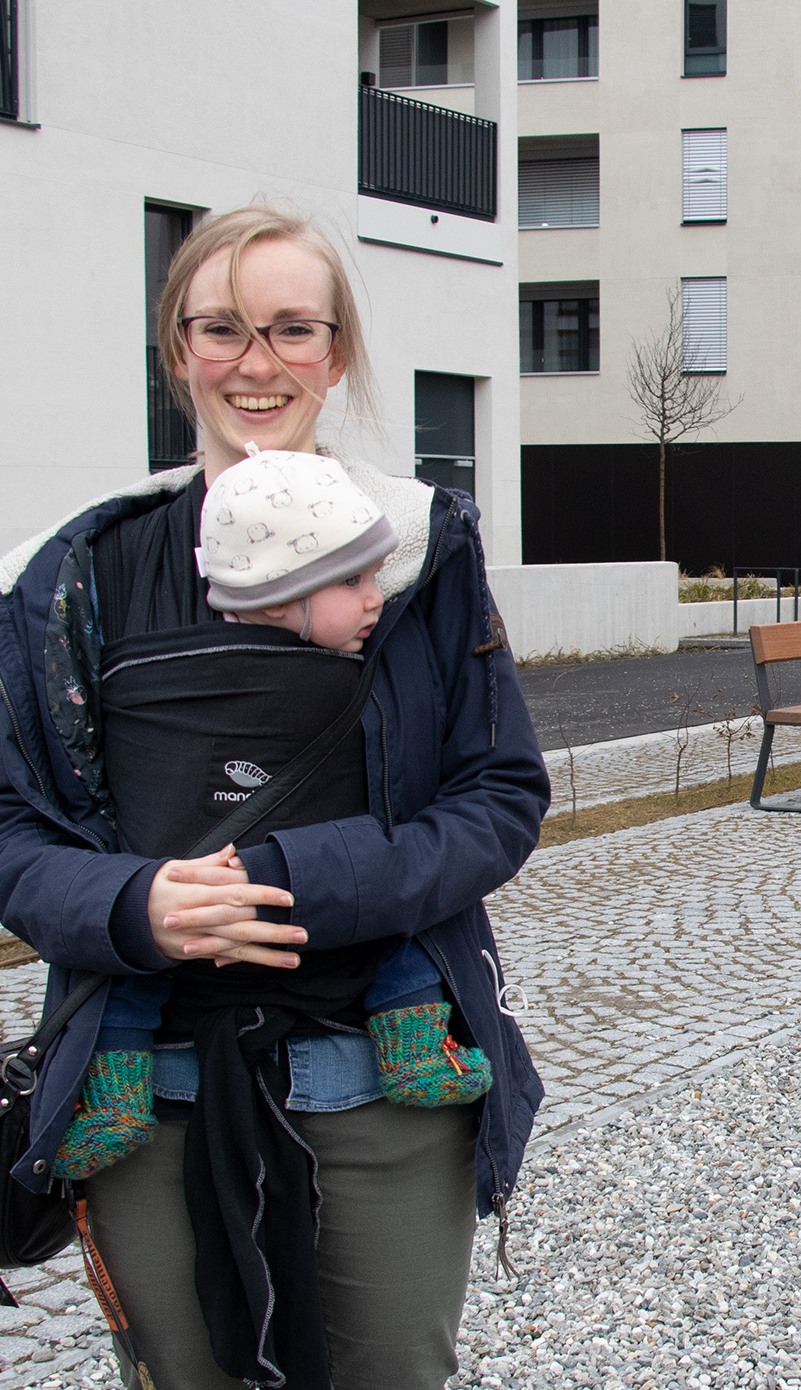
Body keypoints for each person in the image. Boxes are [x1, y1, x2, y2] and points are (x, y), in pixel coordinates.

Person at [0, 203, 549, 1390]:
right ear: (179, 351)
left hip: (383, 1079)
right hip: (147, 1091)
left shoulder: (418, 553)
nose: (256, 359)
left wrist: (293, 877)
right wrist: (136, 906)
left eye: (291, 326)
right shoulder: (85, 575)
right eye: (221, 326)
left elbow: (498, 797)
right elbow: (18, 841)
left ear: (335, 353)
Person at [56, 444, 494, 1185]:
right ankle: (115, 1094)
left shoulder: (361, 651)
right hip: (187, 899)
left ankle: (413, 1041)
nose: (376, 598)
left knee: (400, 904)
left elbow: (483, 798)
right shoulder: (165, 638)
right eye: (352, 580)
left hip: (316, 902)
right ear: (279, 596)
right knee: (135, 955)